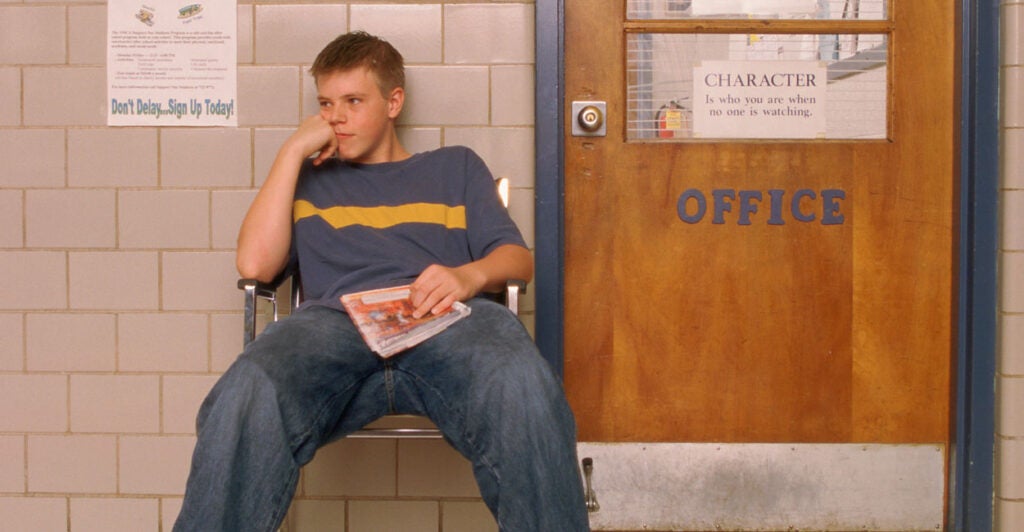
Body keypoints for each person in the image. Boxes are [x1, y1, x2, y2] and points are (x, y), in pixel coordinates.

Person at [173, 31, 590, 531]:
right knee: (247, 390)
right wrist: (291, 153)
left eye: (353, 101)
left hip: (443, 321)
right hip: (335, 326)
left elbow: (517, 259)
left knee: (523, 383)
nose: (336, 117)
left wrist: (467, 275)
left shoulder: (454, 167)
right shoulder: (307, 180)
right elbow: (255, 268)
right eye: (326, 104)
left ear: (394, 102)